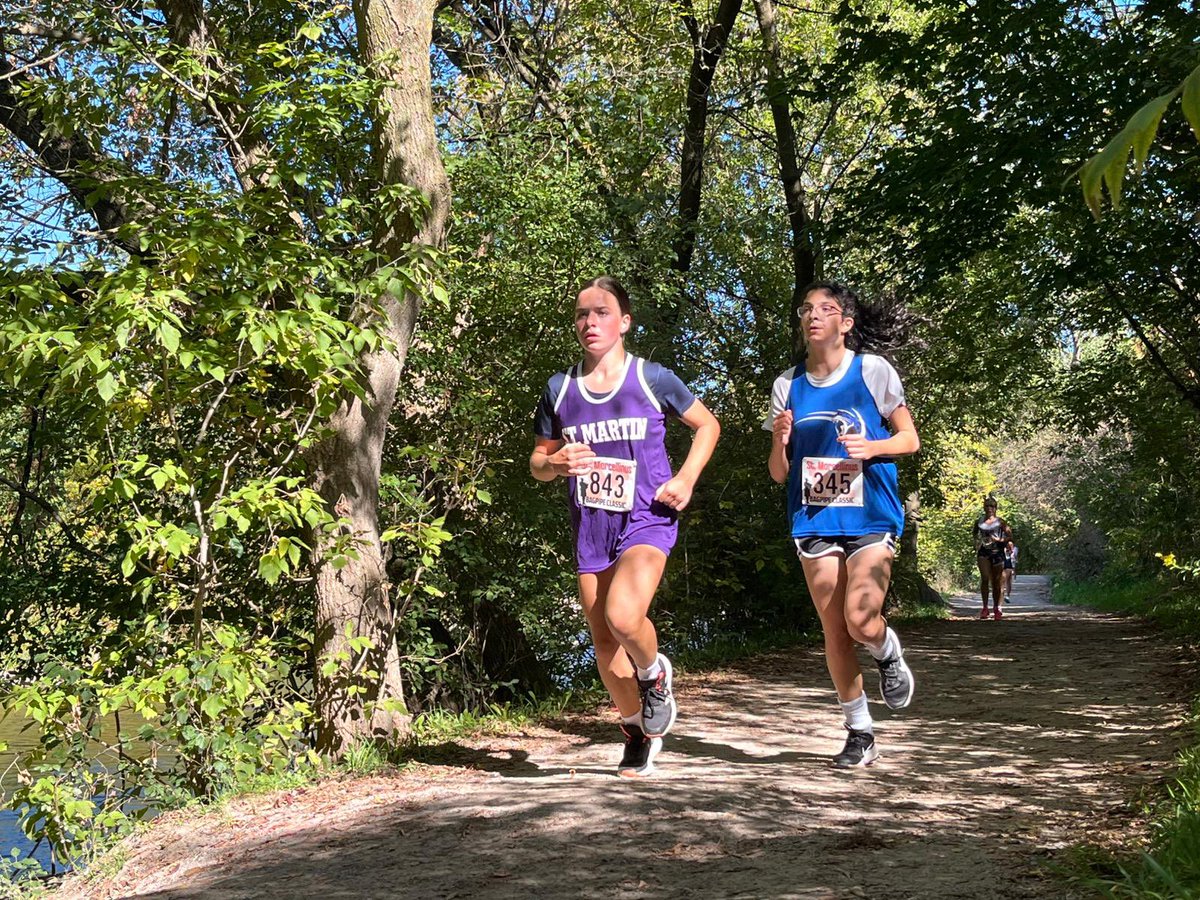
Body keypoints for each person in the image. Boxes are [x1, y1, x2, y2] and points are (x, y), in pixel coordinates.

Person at [531, 275, 721, 777]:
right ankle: (637, 730)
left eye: (602, 312)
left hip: (647, 517)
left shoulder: (651, 378)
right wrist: (555, 464)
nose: (590, 322)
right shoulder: (560, 389)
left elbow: (708, 425)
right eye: (582, 314)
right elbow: (537, 463)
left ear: (625, 322)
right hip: (592, 525)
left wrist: (686, 477)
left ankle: (654, 673)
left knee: (623, 615)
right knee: (603, 645)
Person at [765, 281, 920, 768]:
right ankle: (859, 731)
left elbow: (909, 439)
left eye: (826, 309)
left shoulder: (871, 370)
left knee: (860, 619)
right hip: (814, 515)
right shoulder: (787, 385)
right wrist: (780, 441)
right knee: (834, 630)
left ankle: (885, 648)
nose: (813, 316)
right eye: (806, 309)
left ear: (846, 323)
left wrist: (872, 447)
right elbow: (778, 473)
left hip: (870, 512)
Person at [973, 497, 1012, 619]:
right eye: (987, 506)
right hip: (984, 552)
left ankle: (997, 608)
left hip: (997, 552)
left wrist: (999, 540)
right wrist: (976, 543)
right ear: (984, 507)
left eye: (992, 506)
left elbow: (1009, 536)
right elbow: (974, 534)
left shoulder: (1000, 522)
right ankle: (985, 608)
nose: (989, 508)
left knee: (996, 582)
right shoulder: (979, 521)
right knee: (985, 578)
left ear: (996, 508)